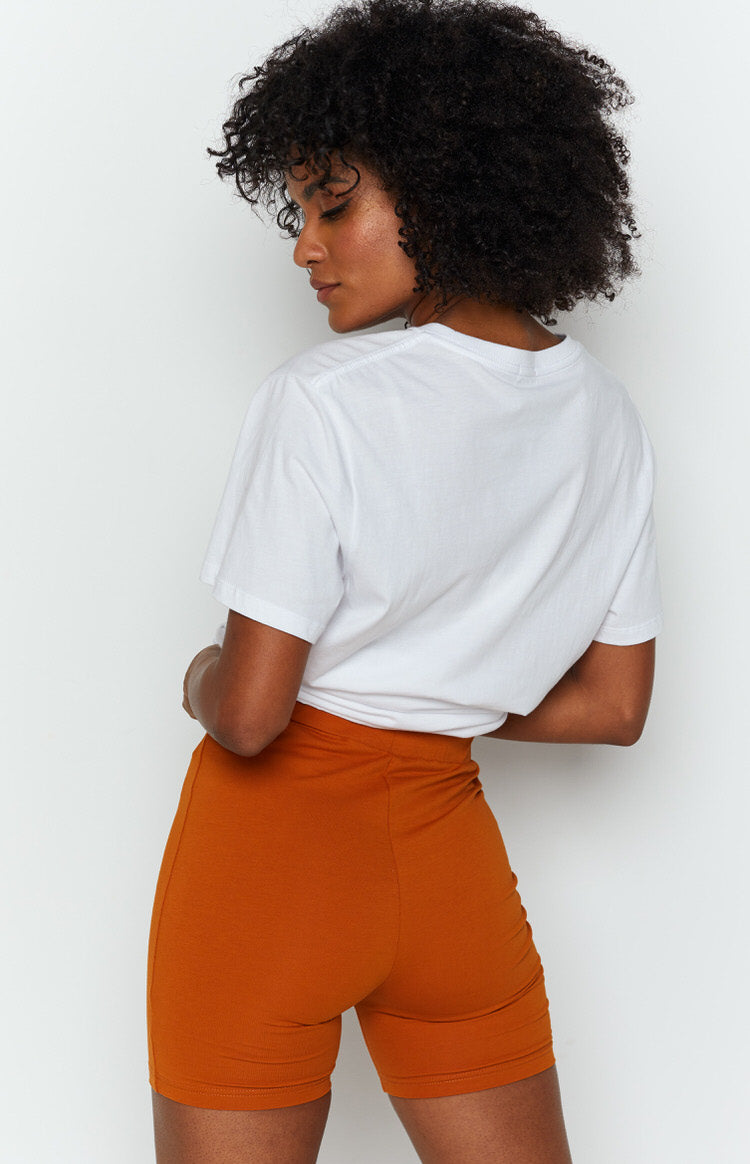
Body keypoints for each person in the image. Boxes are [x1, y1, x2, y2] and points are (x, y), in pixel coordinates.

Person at [146, 1, 663, 1160]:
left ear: (441, 192)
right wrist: (435, 696)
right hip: (449, 865)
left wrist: (197, 676)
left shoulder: (322, 401)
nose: (304, 247)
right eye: (299, 213)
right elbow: (614, 706)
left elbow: (251, 715)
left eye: (334, 205)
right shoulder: (607, 417)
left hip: (267, 867)